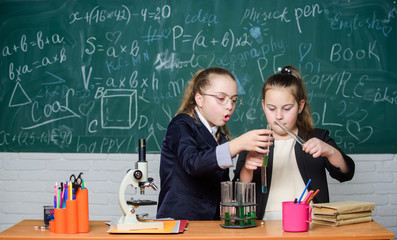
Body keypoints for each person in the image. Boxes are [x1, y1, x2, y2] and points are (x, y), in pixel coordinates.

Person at [233, 65, 355, 220]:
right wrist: (247, 169)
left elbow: (346, 174)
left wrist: (330, 151)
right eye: (271, 108)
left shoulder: (317, 137)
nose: (278, 116)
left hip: (311, 224)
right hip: (264, 225)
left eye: (287, 108)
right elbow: (238, 192)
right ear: (263, 106)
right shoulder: (253, 142)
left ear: (300, 106)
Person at [156, 66, 270, 220]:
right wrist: (237, 144)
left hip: (211, 225)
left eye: (234, 100)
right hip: (180, 222)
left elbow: (222, 188)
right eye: (221, 98)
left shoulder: (219, 137)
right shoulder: (181, 125)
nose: (229, 106)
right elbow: (193, 163)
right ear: (199, 99)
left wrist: (246, 170)